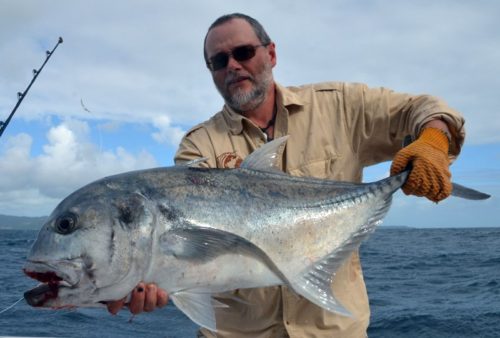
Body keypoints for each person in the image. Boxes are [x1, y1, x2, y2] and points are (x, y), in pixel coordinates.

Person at [107, 13, 465, 337]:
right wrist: (153, 276)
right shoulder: (198, 146)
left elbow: (423, 108)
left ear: (271, 54)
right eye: (219, 61)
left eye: (243, 52)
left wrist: (433, 140)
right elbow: (188, 243)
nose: (232, 66)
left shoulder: (340, 106)